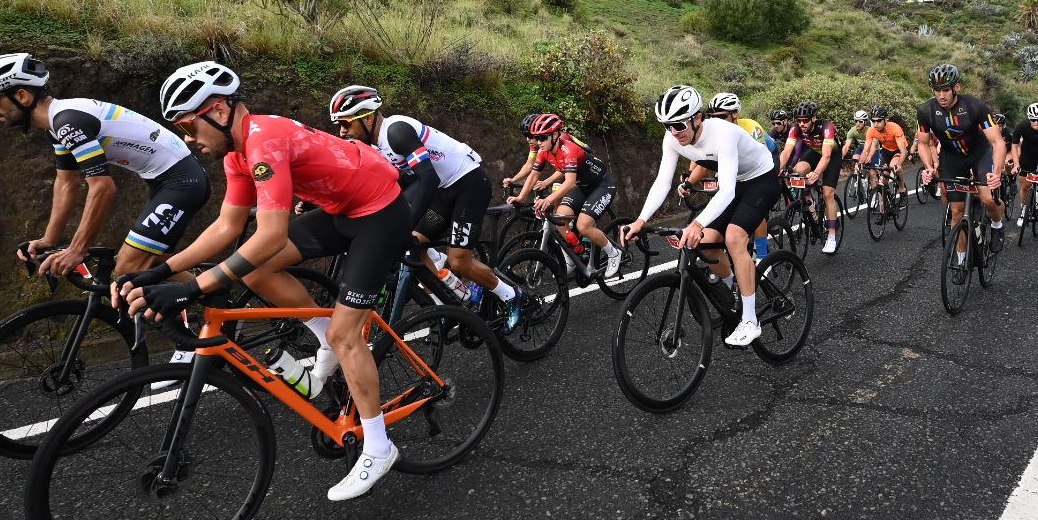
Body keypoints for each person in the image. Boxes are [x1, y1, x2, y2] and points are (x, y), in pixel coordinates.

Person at [121, 61, 412, 502]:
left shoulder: (264, 140)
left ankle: (378, 445)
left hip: (379, 214)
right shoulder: (238, 154)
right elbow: (225, 227)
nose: (187, 138)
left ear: (218, 111)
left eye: (187, 125)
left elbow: (271, 233)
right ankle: (326, 341)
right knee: (257, 270)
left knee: (346, 332)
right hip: (341, 211)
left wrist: (193, 287)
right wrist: (161, 269)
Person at [0, 52, 209, 278]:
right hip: (165, 180)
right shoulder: (58, 124)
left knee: (127, 268)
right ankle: (212, 300)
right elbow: (67, 183)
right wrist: (49, 239)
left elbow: (102, 188)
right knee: (147, 265)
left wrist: (77, 250)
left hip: (181, 182)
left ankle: (212, 298)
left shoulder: (69, 122)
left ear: (22, 96)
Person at [327, 85, 524, 330]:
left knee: (460, 260)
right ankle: (452, 298)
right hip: (442, 191)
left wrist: (404, 222)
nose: (342, 132)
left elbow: (427, 179)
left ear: (367, 118)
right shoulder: (373, 145)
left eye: (346, 124)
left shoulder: (396, 132)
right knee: (414, 246)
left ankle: (512, 295)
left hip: (468, 183)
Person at [622, 86, 779, 347]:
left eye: (679, 125)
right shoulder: (672, 139)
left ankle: (751, 321)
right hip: (736, 182)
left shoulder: (724, 133)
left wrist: (696, 222)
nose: (674, 132)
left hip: (761, 179)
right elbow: (663, 183)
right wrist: (641, 220)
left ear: (697, 118)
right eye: (667, 126)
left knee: (733, 237)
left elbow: (727, 190)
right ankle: (735, 289)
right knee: (705, 241)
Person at [913, 63, 1008, 262]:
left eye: (946, 89)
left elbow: (997, 142)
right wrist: (929, 168)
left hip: (979, 153)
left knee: (988, 197)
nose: (941, 95)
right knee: (956, 211)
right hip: (951, 156)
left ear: (957, 87)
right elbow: (923, 143)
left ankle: (998, 226)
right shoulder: (925, 111)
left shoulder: (975, 106)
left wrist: (997, 173)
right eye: (937, 91)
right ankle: (961, 259)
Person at [506, 114, 622, 275]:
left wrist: (548, 199)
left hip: (602, 185)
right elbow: (533, 175)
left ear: (554, 135)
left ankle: (614, 253)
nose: (538, 142)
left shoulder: (568, 149)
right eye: (536, 138)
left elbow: (568, 182)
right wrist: (520, 197)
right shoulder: (543, 150)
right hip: (583, 186)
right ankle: (571, 260)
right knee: (560, 219)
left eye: (542, 138)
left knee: (583, 225)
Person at [701, 92, 774, 260]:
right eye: (712, 117)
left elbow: (759, 159)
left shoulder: (750, 127)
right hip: (743, 165)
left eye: (722, 116)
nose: (716, 121)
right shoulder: (715, 131)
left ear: (735, 114)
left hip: (767, 158)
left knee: (757, 208)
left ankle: (762, 255)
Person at [779, 101, 842, 253]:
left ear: (814, 118)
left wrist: (816, 173)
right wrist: (778, 169)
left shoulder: (826, 127)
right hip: (814, 151)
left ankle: (831, 236)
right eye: (799, 120)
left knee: (828, 194)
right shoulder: (795, 128)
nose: (802, 124)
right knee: (795, 172)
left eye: (805, 120)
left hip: (832, 155)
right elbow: (787, 152)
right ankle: (809, 201)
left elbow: (826, 156)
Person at [857, 106, 911, 196]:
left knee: (893, 166)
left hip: (898, 150)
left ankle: (902, 188)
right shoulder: (872, 131)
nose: (876, 124)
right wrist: (860, 163)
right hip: (886, 151)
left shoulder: (895, 128)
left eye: (878, 121)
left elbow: (904, 151)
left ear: (886, 119)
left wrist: (899, 165)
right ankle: (886, 198)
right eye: (873, 121)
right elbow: (865, 151)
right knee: (884, 175)